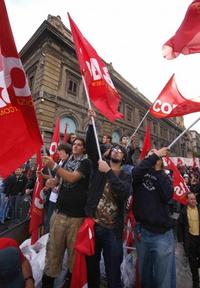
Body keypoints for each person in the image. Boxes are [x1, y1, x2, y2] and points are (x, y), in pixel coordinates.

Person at [86, 110, 132, 288]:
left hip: (113, 231)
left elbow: (123, 193)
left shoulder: (125, 175)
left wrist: (109, 172)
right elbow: (91, 147)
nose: (117, 151)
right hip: (94, 226)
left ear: (124, 158)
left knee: (113, 272)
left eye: (120, 150)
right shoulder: (100, 166)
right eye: (114, 148)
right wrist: (92, 124)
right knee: (92, 268)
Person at [41, 137, 91, 288]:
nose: (75, 146)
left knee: (73, 256)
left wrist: (54, 165)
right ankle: (47, 283)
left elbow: (71, 178)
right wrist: (51, 182)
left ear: (84, 149)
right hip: (59, 214)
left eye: (79, 145)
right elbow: (58, 179)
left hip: (76, 218)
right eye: (74, 144)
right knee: (53, 251)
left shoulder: (86, 163)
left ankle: (70, 282)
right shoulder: (66, 161)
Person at [132, 147, 176, 288]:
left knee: (163, 279)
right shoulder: (139, 174)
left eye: (156, 153)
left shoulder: (164, 175)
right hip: (142, 232)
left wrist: (158, 170)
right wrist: (153, 157)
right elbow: (135, 172)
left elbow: (167, 195)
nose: (154, 154)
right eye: (151, 153)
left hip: (162, 234)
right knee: (145, 277)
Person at [177, 192, 200, 288]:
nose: (193, 200)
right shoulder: (183, 212)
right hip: (190, 240)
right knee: (192, 262)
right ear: (187, 200)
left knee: (196, 261)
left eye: (194, 198)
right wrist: (181, 240)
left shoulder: (199, 208)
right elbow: (180, 227)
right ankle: (196, 282)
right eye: (191, 199)